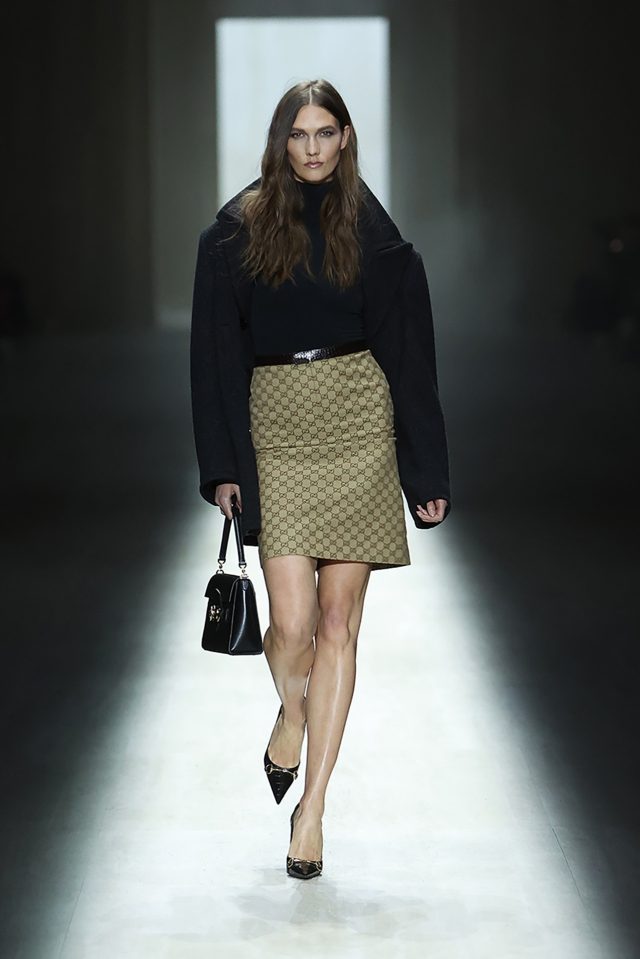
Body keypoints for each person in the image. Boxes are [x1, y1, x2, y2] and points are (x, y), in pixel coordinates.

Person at [190, 78, 451, 880]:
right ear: (281, 141)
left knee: (339, 624)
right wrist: (223, 465)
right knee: (293, 625)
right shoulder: (236, 231)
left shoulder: (370, 229)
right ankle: (292, 713)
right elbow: (213, 359)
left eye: (325, 133)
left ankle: (312, 810)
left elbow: (409, 353)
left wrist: (425, 467)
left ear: (344, 139)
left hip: (358, 419)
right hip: (276, 427)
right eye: (298, 134)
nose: (311, 148)